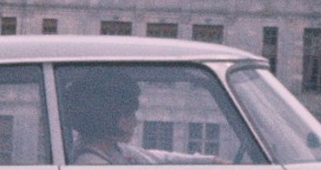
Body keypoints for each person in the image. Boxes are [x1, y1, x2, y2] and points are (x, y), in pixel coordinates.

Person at [61, 69, 214, 164]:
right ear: (117, 119)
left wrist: (211, 161)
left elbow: (155, 157)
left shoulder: (112, 150)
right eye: (131, 114)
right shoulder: (93, 164)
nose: (135, 122)